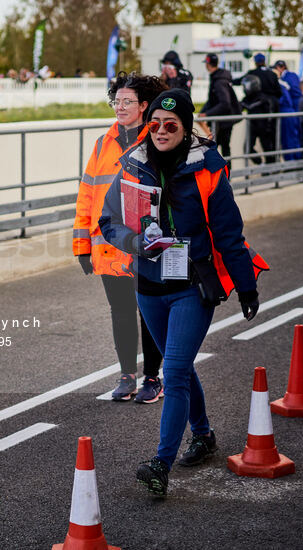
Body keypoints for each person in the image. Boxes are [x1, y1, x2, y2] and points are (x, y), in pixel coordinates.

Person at [99, 89, 265, 496]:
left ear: (186, 128)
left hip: (192, 286)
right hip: (148, 286)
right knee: (182, 367)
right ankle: (204, 436)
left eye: (170, 125)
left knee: (172, 371)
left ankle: (161, 463)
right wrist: (136, 243)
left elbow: (229, 233)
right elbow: (108, 221)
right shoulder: (133, 165)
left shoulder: (208, 169)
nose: (159, 131)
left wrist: (246, 286)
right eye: (153, 123)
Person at [73, 72, 166, 403]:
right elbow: (87, 195)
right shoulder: (102, 144)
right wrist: (82, 245)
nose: (120, 107)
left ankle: (153, 377)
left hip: (146, 245)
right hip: (109, 245)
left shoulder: (157, 139)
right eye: (117, 101)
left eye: (128, 101)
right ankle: (128, 375)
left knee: (150, 311)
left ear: (143, 106)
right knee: (122, 312)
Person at [198, 53, 241, 158]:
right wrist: (203, 112)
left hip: (224, 121)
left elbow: (225, 103)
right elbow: (212, 100)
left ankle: (226, 172)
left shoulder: (219, 81)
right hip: (223, 120)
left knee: (220, 148)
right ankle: (225, 172)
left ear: (208, 64)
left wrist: (207, 114)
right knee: (221, 148)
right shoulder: (218, 77)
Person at [272, 60, 302, 160]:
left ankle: (292, 163)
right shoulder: (288, 77)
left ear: (280, 68)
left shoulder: (285, 79)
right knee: (294, 138)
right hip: (292, 111)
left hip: (288, 111)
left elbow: (295, 94)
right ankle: (296, 162)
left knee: (289, 139)